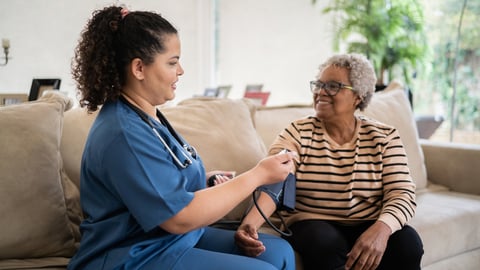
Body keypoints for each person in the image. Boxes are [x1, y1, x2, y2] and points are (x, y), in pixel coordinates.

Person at [67, 5, 297, 270]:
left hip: (165, 241)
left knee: (278, 252)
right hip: (133, 255)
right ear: (139, 68)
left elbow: (159, 181)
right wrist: (257, 175)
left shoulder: (147, 115)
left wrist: (206, 181)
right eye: (173, 62)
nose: (181, 71)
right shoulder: (123, 133)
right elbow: (178, 217)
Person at [235, 53, 424, 270]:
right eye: (318, 84)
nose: (321, 92)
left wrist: (382, 228)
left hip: (367, 220)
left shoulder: (384, 137)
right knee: (323, 242)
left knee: (408, 243)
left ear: (359, 96)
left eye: (333, 86)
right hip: (313, 222)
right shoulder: (298, 132)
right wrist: (250, 225)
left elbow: (402, 192)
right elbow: (275, 178)